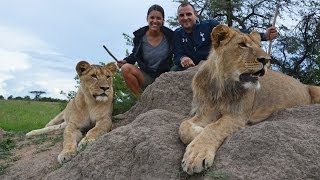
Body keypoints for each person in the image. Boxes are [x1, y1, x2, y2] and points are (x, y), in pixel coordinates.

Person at [172, 2, 278, 70]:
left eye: (189, 14)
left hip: (213, 67)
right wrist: (183, 59)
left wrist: (264, 35)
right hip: (190, 70)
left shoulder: (210, 26)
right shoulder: (177, 33)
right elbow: (177, 54)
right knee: (174, 70)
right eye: (181, 15)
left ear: (196, 14)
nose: (185, 18)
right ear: (178, 18)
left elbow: (236, 33)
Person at [117, 4, 174, 96]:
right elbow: (135, 54)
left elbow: (179, 52)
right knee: (125, 68)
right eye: (152, 17)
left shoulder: (171, 36)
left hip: (166, 77)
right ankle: (140, 100)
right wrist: (126, 60)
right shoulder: (139, 37)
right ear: (147, 18)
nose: (155, 21)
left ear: (163, 20)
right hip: (147, 76)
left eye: (158, 18)